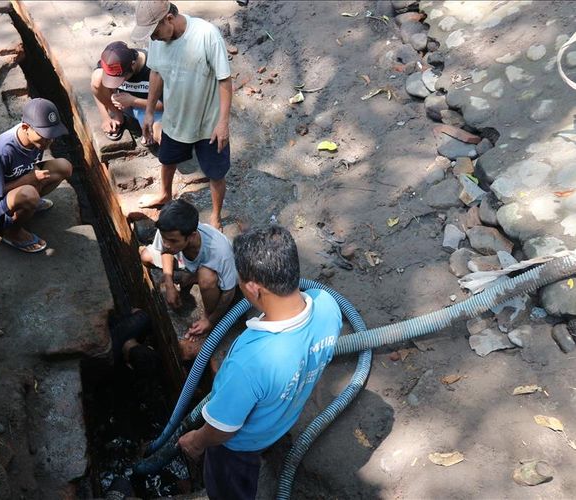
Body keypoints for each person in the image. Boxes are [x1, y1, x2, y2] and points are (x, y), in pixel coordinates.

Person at [177, 225, 343, 499]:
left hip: (238, 448)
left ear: (253, 288)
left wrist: (196, 441)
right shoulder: (328, 306)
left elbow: (221, 430)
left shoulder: (250, 360)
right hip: (280, 420)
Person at [131, 1, 233, 230]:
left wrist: (223, 123)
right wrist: (149, 111)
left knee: (215, 173)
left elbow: (224, 80)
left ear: (168, 18)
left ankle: (216, 216)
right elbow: (156, 73)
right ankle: (164, 194)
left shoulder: (207, 35)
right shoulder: (157, 41)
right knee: (167, 161)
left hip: (208, 123)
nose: (154, 38)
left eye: (155, 32)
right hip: (175, 119)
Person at [0, 98, 73, 253]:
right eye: (45, 135)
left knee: (64, 167)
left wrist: (30, 179)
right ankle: (11, 232)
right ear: (26, 127)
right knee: (29, 194)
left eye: (52, 134)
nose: (50, 140)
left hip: (18, 184)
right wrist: (28, 180)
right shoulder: (0, 151)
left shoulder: (37, 140)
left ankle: (27, 205)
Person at [139, 199, 236, 339]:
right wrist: (169, 284)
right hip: (186, 261)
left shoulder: (220, 252)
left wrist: (210, 320)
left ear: (192, 236)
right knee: (146, 256)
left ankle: (205, 308)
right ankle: (191, 277)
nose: (166, 244)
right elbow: (165, 251)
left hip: (213, 273)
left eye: (172, 241)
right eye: (164, 238)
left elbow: (229, 292)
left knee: (206, 277)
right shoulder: (168, 231)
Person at [90, 41, 164, 144]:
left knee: (161, 136)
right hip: (124, 105)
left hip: (151, 109)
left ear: (133, 65)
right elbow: (95, 88)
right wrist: (106, 117)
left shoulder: (153, 68)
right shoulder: (111, 62)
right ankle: (118, 116)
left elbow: (166, 105)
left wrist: (133, 101)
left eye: (120, 78)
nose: (115, 84)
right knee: (96, 77)